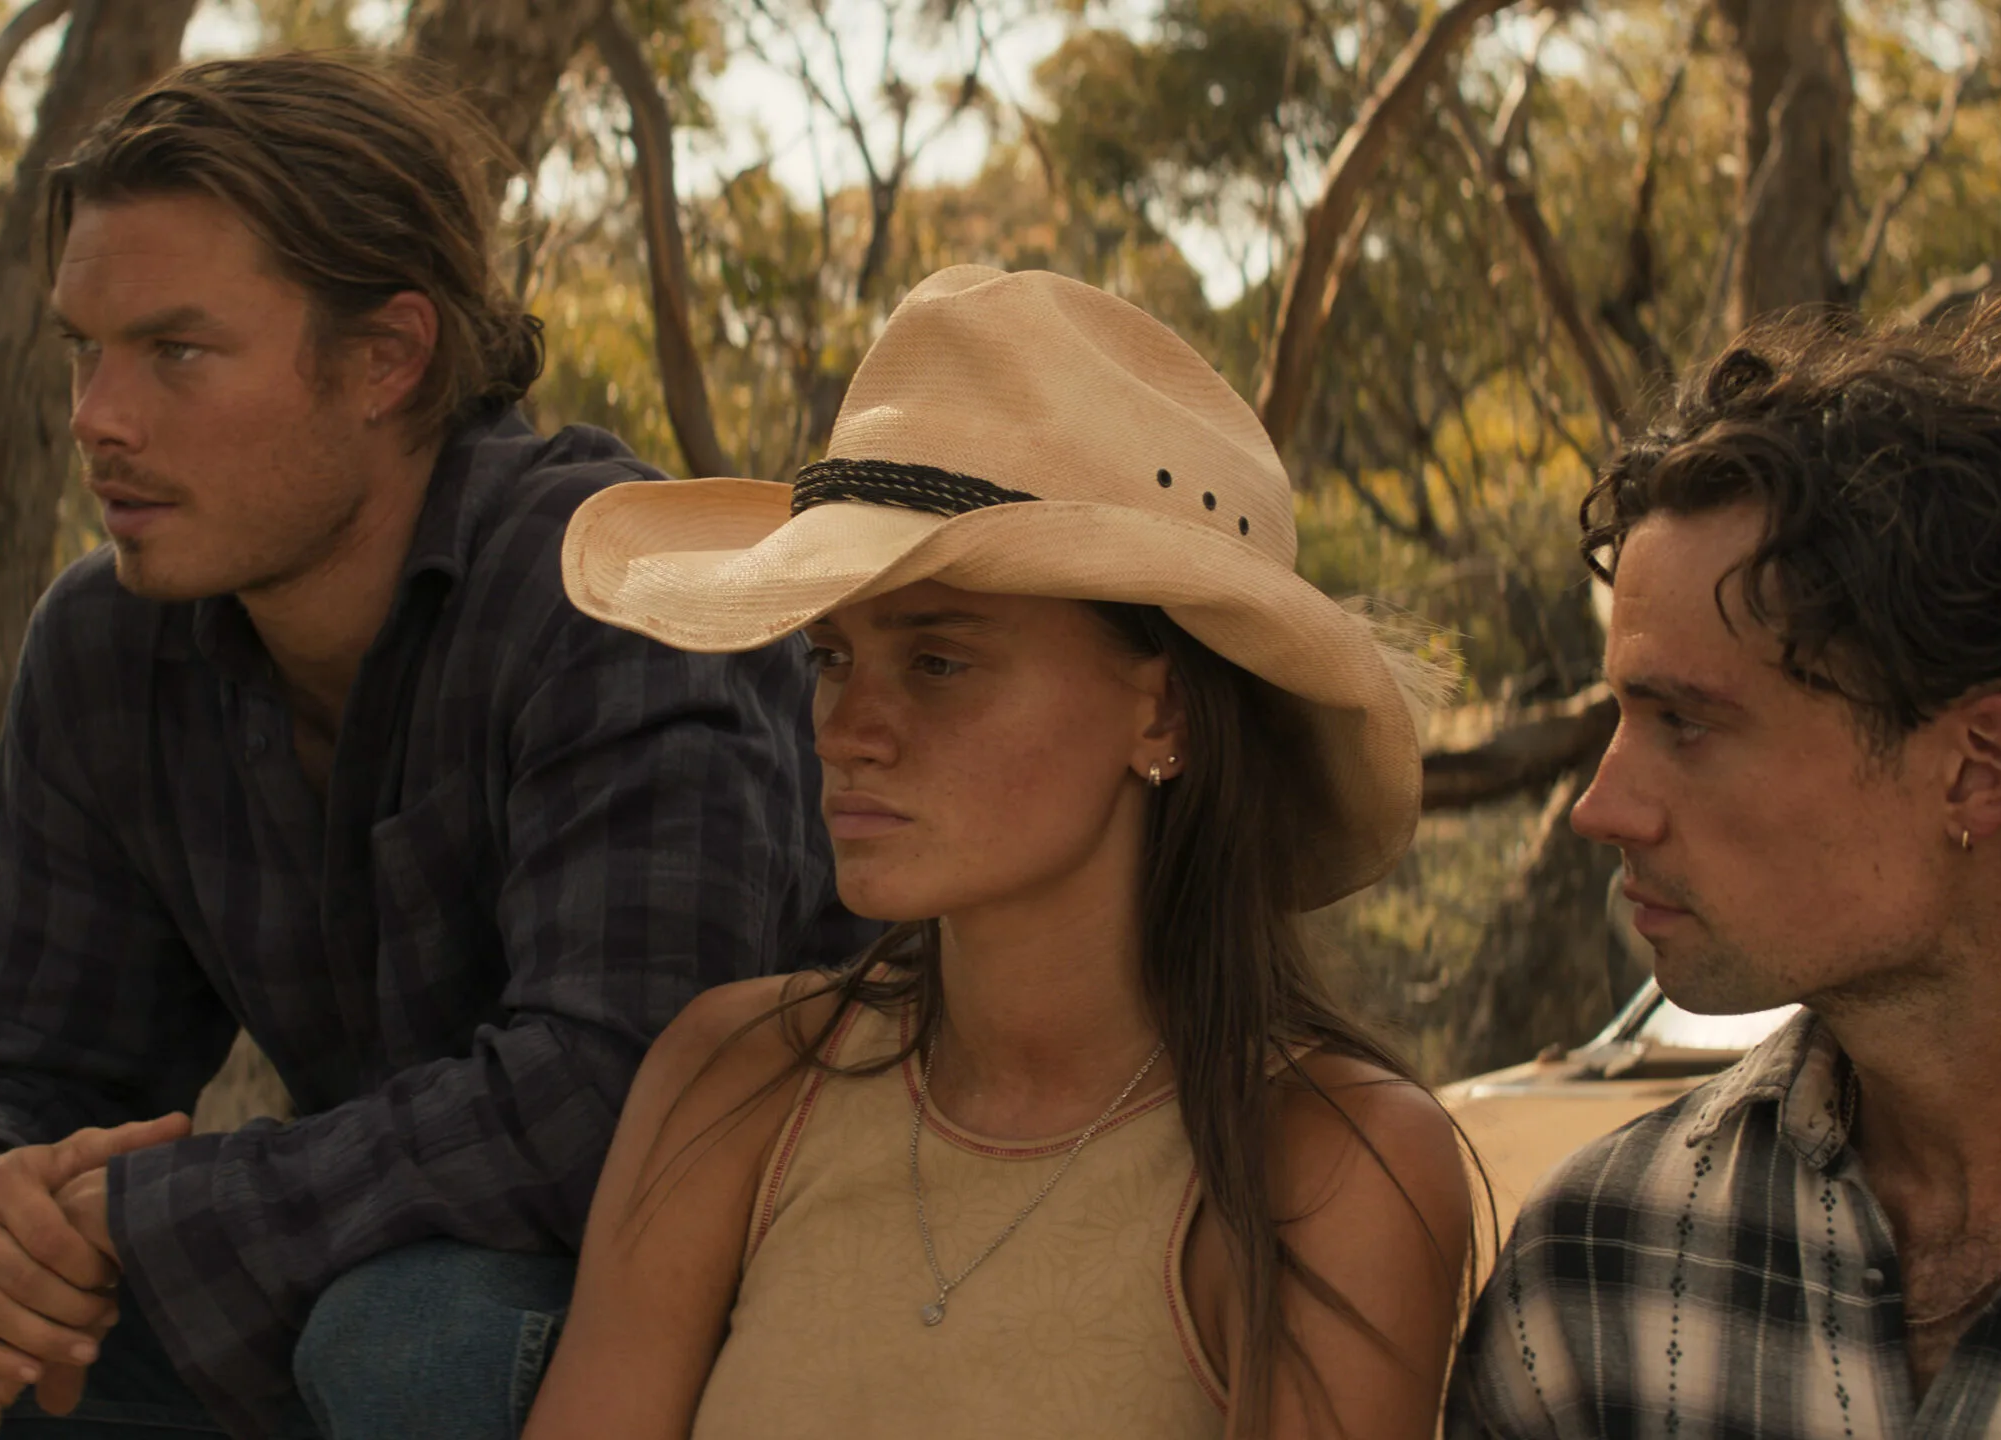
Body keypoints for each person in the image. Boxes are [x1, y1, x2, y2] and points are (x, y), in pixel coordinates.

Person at [0, 53, 864, 1440]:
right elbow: (20, 1050)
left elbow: (612, 1097)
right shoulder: (110, 649)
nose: (98, 417)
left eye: (176, 352)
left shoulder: (613, 590)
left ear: (388, 358)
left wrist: (149, 1215)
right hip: (361, 1266)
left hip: (730, 1293)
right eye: (83, 352)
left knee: (414, 1340)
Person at [521, 264, 1474, 1440]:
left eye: (938, 661)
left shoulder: (1326, 1164)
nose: (849, 729)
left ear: (1164, 715)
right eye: (830, 657)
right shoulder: (734, 1082)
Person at [1444, 305, 2001, 1438]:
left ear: (1979, 769)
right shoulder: (1601, 1268)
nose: (1601, 809)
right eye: (1620, 715)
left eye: (1685, 724)